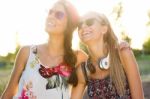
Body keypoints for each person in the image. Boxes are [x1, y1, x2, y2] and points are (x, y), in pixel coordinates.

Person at [1, 0, 87, 99]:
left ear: (70, 23)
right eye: (50, 12)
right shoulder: (27, 52)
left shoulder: (78, 57)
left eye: (58, 15)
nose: (51, 16)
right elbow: (8, 93)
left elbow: (103, 74)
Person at [70, 11, 144, 99]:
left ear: (104, 29)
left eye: (90, 22)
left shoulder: (123, 53)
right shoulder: (83, 72)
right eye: (79, 25)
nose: (83, 27)